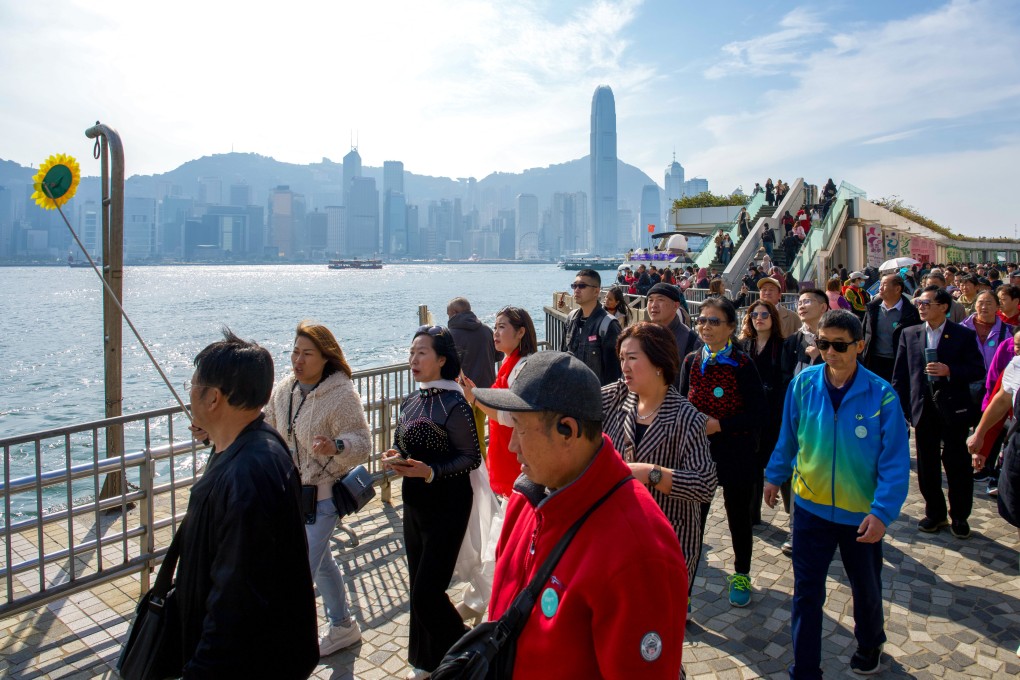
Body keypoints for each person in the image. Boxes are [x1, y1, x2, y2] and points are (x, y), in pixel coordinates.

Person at [475, 352, 689, 678]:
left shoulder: (639, 553)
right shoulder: (527, 495)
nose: (511, 446)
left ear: (568, 430)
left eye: (520, 428)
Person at [765, 310, 910, 677]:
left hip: (860, 514)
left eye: (839, 345)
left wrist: (881, 512)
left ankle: (870, 641)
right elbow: (789, 436)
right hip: (810, 509)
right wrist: (774, 475)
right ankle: (806, 668)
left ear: (859, 346)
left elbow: (894, 462)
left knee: (865, 588)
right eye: (823, 343)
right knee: (807, 593)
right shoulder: (803, 385)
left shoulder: (882, 396)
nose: (830, 352)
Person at [178, 329, 318, 678]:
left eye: (192, 387)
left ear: (213, 398)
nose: (189, 394)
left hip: (250, 661)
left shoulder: (249, 473)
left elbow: (237, 595)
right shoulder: (249, 446)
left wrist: (202, 669)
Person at [263, 322, 372, 656]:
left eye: (307, 353)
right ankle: (343, 626)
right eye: (295, 351)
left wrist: (336, 445)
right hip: (291, 496)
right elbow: (265, 425)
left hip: (323, 499)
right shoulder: (285, 390)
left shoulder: (341, 394)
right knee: (322, 564)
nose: (298, 359)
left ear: (326, 357)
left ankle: (279, 649)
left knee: (296, 574)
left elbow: (363, 444)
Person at [381, 326, 482, 678]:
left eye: (422, 352)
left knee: (428, 591)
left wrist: (431, 472)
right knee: (417, 584)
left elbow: (471, 458)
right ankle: (427, 660)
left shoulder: (455, 403)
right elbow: (405, 445)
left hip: (449, 504)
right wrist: (396, 456)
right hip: (415, 502)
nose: (414, 359)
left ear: (442, 359)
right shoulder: (412, 400)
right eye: (411, 352)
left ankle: (474, 654)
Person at [602, 322, 718, 600]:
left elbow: (704, 484)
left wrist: (651, 473)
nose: (624, 366)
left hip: (666, 541)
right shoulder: (620, 398)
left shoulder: (685, 417)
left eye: (632, 357)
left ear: (658, 362)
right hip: (618, 539)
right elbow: (576, 402)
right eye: (621, 358)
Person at [679, 297, 765, 607]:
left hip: (736, 452)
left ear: (730, 327)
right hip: (698, 453)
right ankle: (683, 581)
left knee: (738, 516)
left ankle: (741, 573)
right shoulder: (691, 361)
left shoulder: (742, 365)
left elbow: (757, 414)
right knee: (692, 519)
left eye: (714, 321)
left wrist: (720, 425)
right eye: (701, 320)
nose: (705, 326)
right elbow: (680, 404)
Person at [892, 286, 984, 539]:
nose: (920, 307)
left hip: (954, 408)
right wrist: (901, 408)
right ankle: (935, 513)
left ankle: (960, 516)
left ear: (943, 306)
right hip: (922, 409)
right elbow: (900, 375)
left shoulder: (962, 335)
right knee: (927, 465)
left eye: (926, 303)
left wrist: (949, 370)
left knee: (957, 465)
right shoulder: (909, 334)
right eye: (919, 302)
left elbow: (977, 369)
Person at [461, 306, 539, 498]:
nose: (495, 333)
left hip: (514, 458)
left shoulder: (523, 367)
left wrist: (474, 398)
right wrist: (476, 393)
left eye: (502, 327)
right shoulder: (509, 362)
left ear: (521, 332)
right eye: (495, 327)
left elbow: (511, 417)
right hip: (505, 451)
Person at [739, 299, 787, 526]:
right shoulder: (743, 345)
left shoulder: (783, 345)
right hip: (750, 413)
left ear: (772, 318)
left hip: (775, 412)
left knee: (780, 460)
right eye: (754, 315)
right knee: (752, 464)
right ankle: (751, 514)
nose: (759, 318)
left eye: (764, 315)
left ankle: (792, 513)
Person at [447, 297, 500, 460]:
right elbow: (498, 355)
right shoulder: (486, 330)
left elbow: (446, 366)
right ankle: (485, 471)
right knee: (481, 437)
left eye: (448, 314)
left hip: (461, 392)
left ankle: (476, 475)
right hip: (486, 390)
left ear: (454, 313)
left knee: (463, 440)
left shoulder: (450, 335)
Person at [561, 268, 622, 386]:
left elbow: (614, 374)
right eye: (575, 286)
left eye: (582, 286)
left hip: (598, 399)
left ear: (596, 291)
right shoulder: (570, 319)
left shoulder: (608, 325)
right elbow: (562, 356)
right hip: (570, 395)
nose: (576, 290)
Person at [861, 274, 921, 382]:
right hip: (873, 360)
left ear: (897, 289)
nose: (880, 288)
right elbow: (863, 331)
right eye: (880, 284)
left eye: (884, 285)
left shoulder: (910, 312)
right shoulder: (872, 308)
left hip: (899, 361)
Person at [646, 282, 704, 389]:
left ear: (676, 305)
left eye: (660, 299)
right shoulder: (641, 336)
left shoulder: (691, 340)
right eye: (650, 300)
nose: (654, 305)